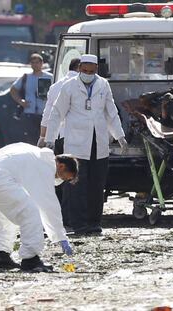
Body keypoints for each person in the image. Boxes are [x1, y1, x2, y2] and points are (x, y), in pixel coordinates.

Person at [45, 54, 128, 234]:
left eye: (91, 71)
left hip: (98, 142)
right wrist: (50, 139)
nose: (88, 74)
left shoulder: (103, 85)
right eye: (84, 71)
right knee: (77, 185)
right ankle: (78, 224)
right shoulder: (69, 86)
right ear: (80, 68)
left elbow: (111, 112)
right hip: (76, 143)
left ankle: (94, 222)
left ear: (96, 69)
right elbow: (57, 113)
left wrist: (119, 135)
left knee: (97, 185)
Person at [0, 143, 78, 271]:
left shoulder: (35, 156)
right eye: (62, 177)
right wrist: (60, 236)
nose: (60, 180)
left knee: (6, 218)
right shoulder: (46, 166)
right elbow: (49, 205)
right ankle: (30, 260)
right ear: (61, 166)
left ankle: (0, 256)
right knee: (30, 213)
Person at [37, 58, 81, 151]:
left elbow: (47, 114)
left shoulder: (55, 86)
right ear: (79, 68)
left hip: (59, 136)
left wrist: (42, 137)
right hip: (81, 138)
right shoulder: (86, 85)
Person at [10, 53, 53, 145]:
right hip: (29, 112)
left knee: (45, 139)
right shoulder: (26, 77)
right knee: (31, 139)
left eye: (37, 62)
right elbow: (13, 89)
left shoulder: (50, 77)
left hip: (45, 113)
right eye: (33, 62)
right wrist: (20, 101)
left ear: (42, 63)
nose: (35, 65)